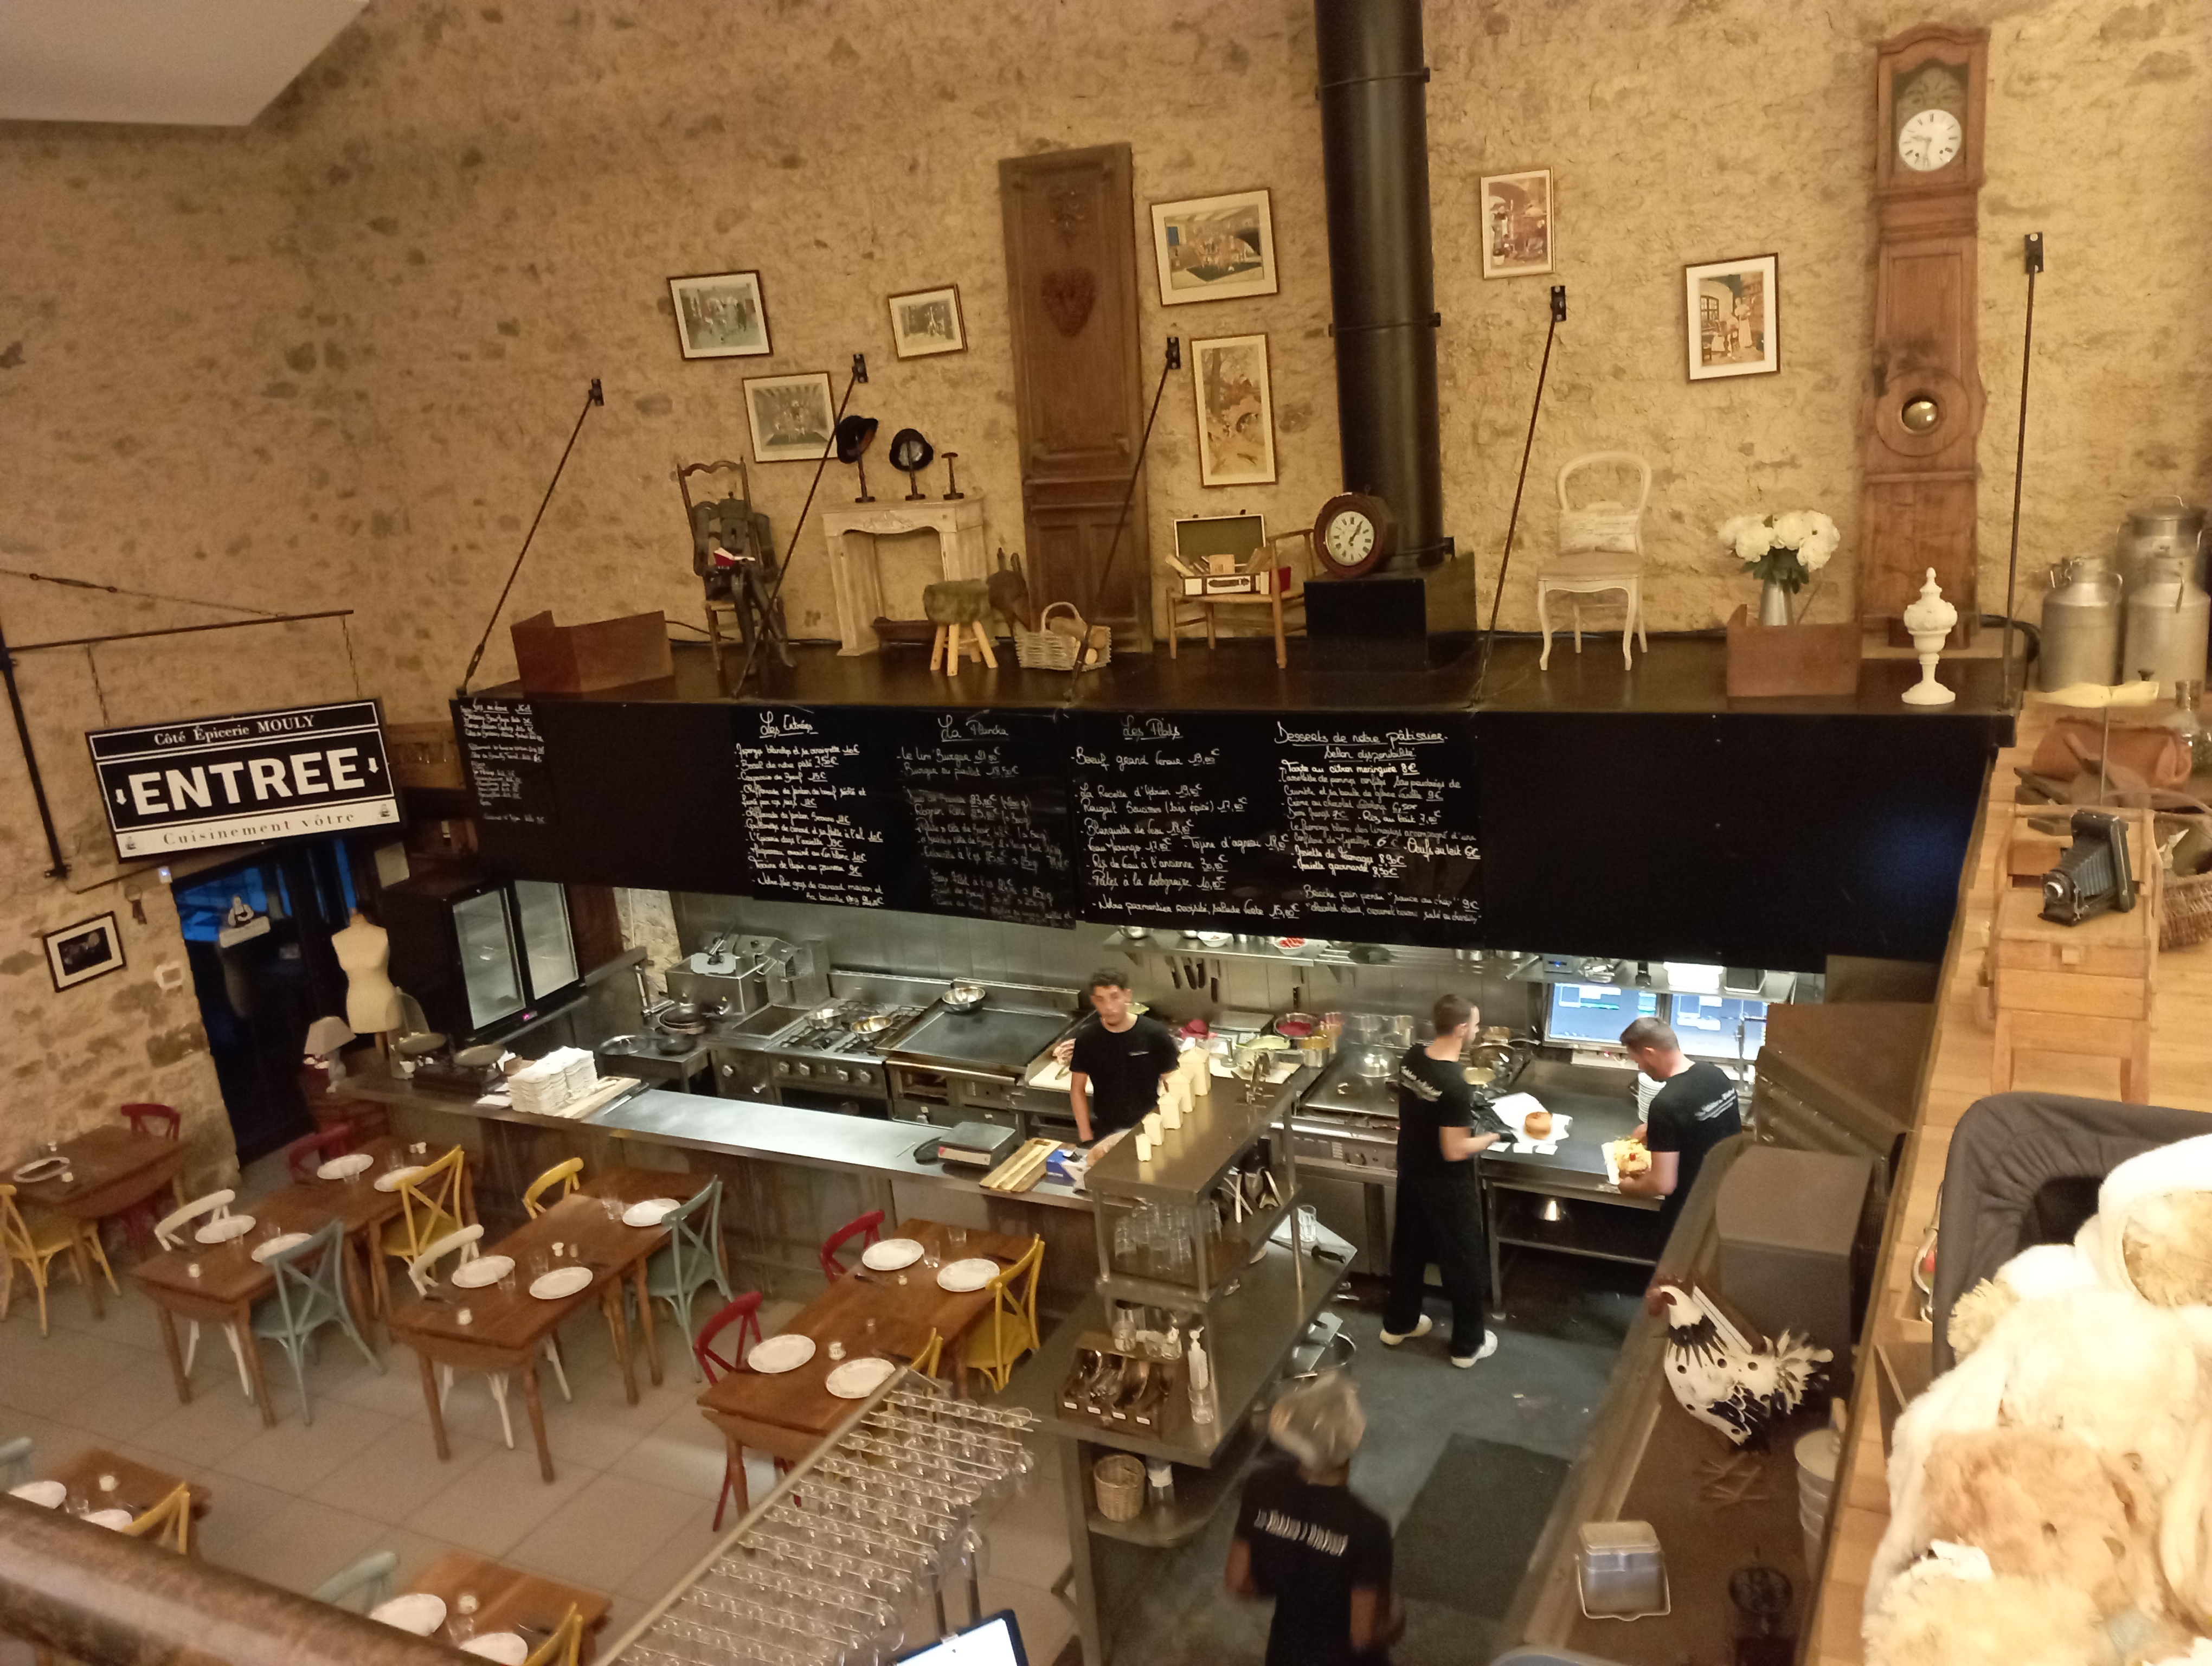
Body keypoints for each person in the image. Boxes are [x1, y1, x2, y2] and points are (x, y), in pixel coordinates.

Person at [1226, 1373, 1400, 1666]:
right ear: (1352, 1438)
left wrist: (1288, 1575)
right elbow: (1362, 1635)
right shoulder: (1368, 1529)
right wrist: (1395, 1619)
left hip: (1286, 1653)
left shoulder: (1262, 1486)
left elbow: (1238, 1581)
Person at [1379, 994, 1509, 1366]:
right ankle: (1468, 1345)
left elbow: (1421, 1109)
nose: (1478, 1031)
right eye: (1476, 1025)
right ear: (1462, 1029)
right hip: (1446, 1183)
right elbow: (1455, 1150)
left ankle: (1399, 1324)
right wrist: (1493, 1136)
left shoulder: (1412, 1058)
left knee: (1409, 1248)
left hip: (1411, 1169)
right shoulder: (1455, 1084)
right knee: (1463, 1260)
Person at [1615, 1015, 1742, 1238]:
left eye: (1638, 1061)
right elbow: (1702, 1122)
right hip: (1728, 1200)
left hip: (1691, 1217)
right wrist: (1655, 1129)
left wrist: (1626, 1187)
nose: (1641, 1068)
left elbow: (1663, 1184)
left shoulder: (1665, 1104)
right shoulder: (1714, 1074)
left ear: (1650, 1053)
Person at [1056, 967, 1177, 1145]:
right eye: (1101, 1000)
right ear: (1094, 1001)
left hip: (1150, 1124)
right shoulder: (1088, 1038)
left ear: (1127, 996)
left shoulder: (1154, 1033)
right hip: (1107, 1128)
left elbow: (1171, 1084)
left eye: (1115, 997)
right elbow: (1077, 1089)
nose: (1109, 1007)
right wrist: (1086, 1136)